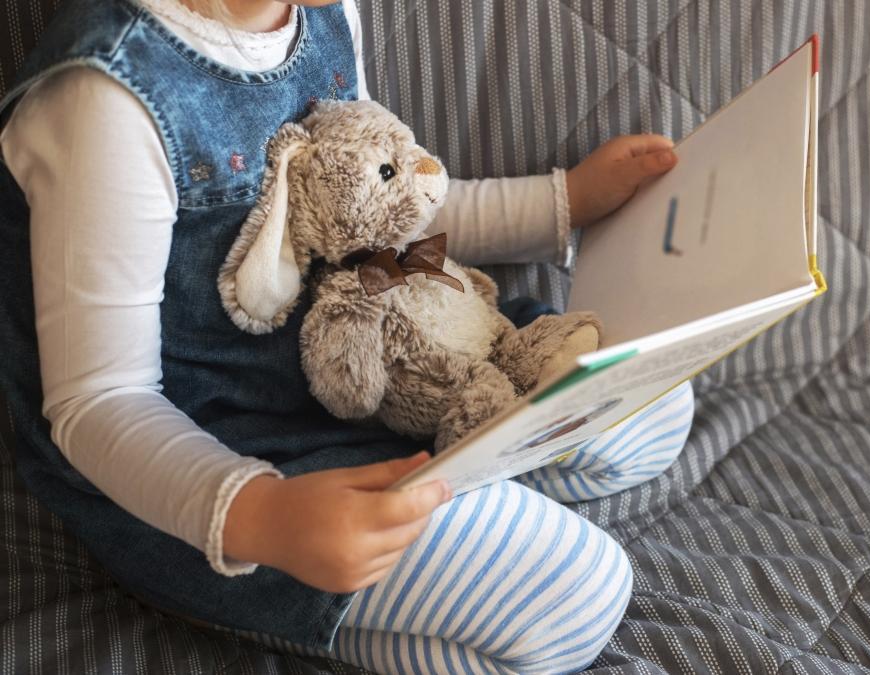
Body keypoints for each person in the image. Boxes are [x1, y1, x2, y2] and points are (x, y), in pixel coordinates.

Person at [0, 0, 695, 672]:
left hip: (376, 361)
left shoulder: (324, 12)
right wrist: (262, 517)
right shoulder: (105, 96)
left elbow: (385, 211)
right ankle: (261, 603)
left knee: (659, 403)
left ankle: (471, 449)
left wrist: (561, 201)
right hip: (222, 467)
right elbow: (100, 403)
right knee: (580, 594)